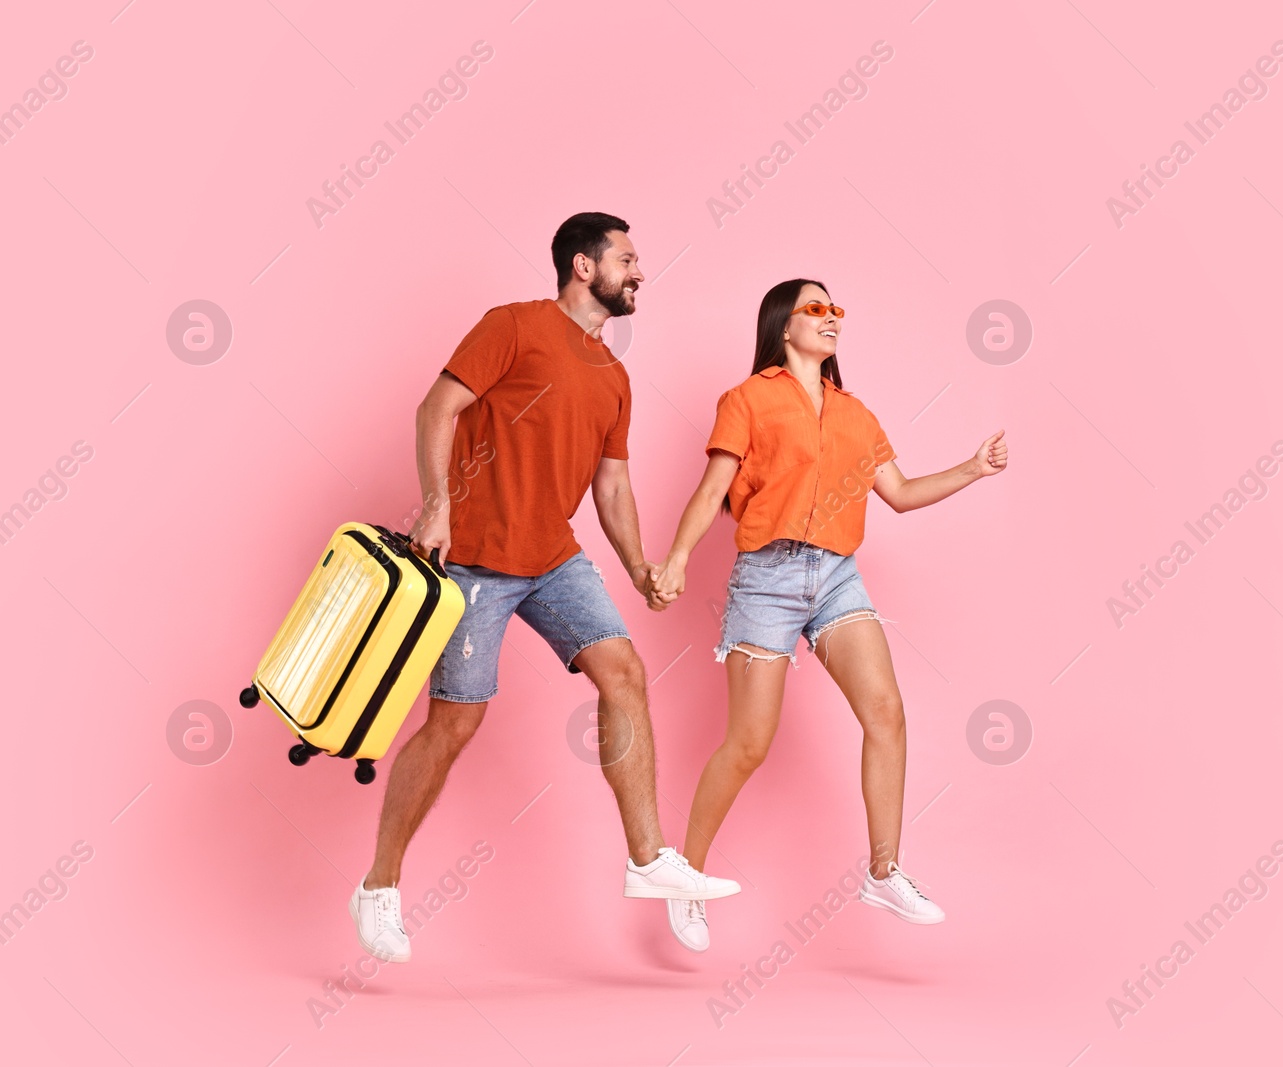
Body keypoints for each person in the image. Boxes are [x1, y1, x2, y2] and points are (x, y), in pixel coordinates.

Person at [349, 212, 739, 963]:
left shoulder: (614, 377)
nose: (640, 271)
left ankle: (647, 858)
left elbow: (613, 484)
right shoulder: (514, 326)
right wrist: (437, 504)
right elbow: (437, 407)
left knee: (623, 671)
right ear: (584, 267)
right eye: (627, 258)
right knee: (455, 724)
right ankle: (379, 884)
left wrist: (637, 567)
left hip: (555, 560)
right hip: (473, 562)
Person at [650, 278, 1008, 951]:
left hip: (838, 574)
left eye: (836, 308)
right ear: (784, 324)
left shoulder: (854, 412)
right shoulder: (749, 399)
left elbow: (898, 492)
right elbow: (710, 492)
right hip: (768, 577)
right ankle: (685, 873)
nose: (832, 317)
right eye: (816, 308)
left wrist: (971, 468)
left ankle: (883, 870)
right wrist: (673, 559)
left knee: (887, 712)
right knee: (751, 741)